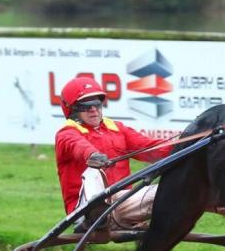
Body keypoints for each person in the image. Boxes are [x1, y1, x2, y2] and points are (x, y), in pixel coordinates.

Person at [55, 76, 172, 230]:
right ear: (72, 109)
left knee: (176, 188)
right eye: (86, 106)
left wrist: (187, 142)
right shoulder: (66, 134)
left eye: (97, 104)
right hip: (82, 208)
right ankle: (93, 216)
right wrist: (91, 156)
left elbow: (151, 148)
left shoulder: (117, 128)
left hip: (122, 202)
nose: (94, 109)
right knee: (93, 172)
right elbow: (78, 146)